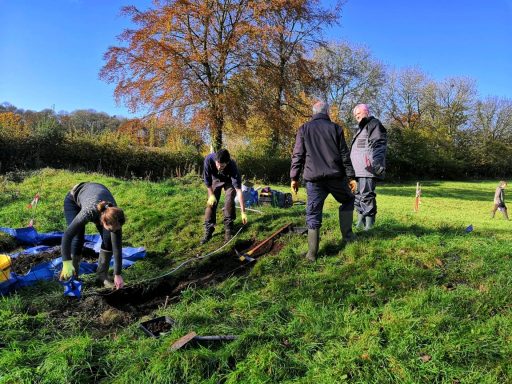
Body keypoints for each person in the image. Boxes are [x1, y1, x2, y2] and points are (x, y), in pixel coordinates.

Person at [290, 101, 356, 262]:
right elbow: (344, 155)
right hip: (335, 177)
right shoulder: (336, 128)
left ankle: (311, 254)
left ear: (313, 113)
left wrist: (294, 177)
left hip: (313, 180)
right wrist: (351, 176)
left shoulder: (304, 129)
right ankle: (347, 238)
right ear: (327, 112)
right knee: (348, 200)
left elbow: (297, 154)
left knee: (313, 214)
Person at [59, 182, 126, 289]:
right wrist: (66, 262)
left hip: (98, 194)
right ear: (102, 222)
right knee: (77, 237)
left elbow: (117, 246)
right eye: (111, 229)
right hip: (74, 200)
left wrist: (117, 274)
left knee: (108, 240)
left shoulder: (115, 216)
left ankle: (101, 276)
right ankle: (73, 276)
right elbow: (67, 236)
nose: (115, 231)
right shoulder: (89, 212)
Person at [349, 104, 387, 231]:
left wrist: (377, 162)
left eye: (358, 113)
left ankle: (369, 225)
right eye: (355, 114)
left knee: (366, 195)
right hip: (357, 170)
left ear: (366, 111)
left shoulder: (373, 123)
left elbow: (379, 143)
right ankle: (360, 221)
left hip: (367, 168)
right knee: (358, 196)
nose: (356, 116)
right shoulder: (360, 128)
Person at [201, 149, 248, 244]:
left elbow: (239, 191)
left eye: (222, 165)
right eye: (217, 164)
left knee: (230, 199)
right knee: (211, 203)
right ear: (215, 160)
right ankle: (209, 228)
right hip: (215, 179)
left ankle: (228, 228)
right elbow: (207, 181)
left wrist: (243, 212)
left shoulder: (232, 166)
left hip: (229, 180)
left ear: (227, 163)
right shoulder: (208, 160)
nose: (219, 167)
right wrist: (211, 194)